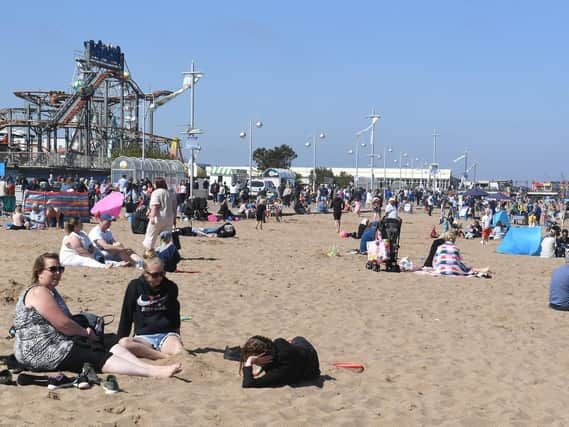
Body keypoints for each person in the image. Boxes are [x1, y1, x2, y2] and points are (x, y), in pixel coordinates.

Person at [13, 253, 181, 377]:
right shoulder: (38, 291)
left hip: (57, 342)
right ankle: (151, 371)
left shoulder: (51, 291)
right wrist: (85, 333)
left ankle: (141, 365)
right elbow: (63, 324)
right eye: (53, 269)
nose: (58, 273)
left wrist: (88, 331)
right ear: (39, 272)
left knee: (108, 340)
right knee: (95, 354)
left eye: (60, 269)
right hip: (42, 351)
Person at [117, 256, 184, 360]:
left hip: (166, 335)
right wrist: (120, 340)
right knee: (124, 343)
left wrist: (177, 335)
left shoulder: (171, 286)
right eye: (155, 275)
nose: (160, 278)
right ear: (145, 273)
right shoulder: (135, 286)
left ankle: (157, 354)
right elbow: (126, 315)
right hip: (144, 338)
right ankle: (164, 357)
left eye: (162, 273)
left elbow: (175, 313)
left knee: (179, 351)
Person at [239, 335, 320, 388]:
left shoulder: (279, 370)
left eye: (255, 361)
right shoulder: (278, 342)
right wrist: (259, 369)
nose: (253, 362)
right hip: (301, 346)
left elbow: (248, 383)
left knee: (295, 341)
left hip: (310, 365)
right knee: (295, 339)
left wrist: (249, 362)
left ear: (262, 357)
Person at [59, 218, 126, 268]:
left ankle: (118, 264)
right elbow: (80, 251)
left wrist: (92, 249)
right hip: (70, 258)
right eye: (80, 224)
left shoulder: (82, 233)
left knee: (100, 258)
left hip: (85, 253)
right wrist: (92, 255)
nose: (82, 224)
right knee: (87, 260)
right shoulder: (72, 236)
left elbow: (89, 243)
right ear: (75, 226)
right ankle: (104, 266)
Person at [143, 177, 176, 250]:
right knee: (166, 237)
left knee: (151, 235)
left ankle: (149, 251)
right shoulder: (170, 193)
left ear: (157, 184)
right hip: (169, 217)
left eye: (154, 183)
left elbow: (155, 206)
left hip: (159, 217)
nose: (153, 185)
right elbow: (174, 208)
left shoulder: (156, 192)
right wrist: (174, 219)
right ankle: (166, 252)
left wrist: (152, 217)